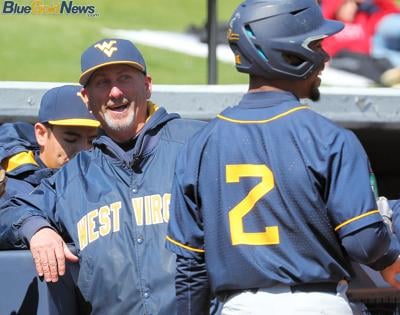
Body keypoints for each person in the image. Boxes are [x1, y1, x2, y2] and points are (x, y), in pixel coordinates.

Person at [165, 1, 400, 314]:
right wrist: (389, 252)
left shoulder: (199, 145)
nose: (325, 56)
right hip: (317, 304)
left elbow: (190, 267)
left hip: (237, 306)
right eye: (315, 45)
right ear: (289, 54)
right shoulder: (330, 138)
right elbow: (363, 243)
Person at [0, 38, 206, 314]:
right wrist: (36, 228)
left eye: (125, 78)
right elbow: (11, 210)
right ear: (86, 99)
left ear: (147, 86)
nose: (115, 92)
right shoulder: (72, 177)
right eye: (102, 83)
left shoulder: (198, 143)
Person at [0, 85, 100, 204]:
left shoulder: (105, 181)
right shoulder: (9, 190)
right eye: (71, 139)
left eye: (92, 141)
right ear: (41, 134)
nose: (84, 150)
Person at [321, 0, 400, 87]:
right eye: (347, 4)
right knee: (357, 64)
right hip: (341, 58)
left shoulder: (362, 19)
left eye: (355, 4)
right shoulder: (330, 26)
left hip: (367, 57)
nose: (353, 8)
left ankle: (391, 77)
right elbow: (322, 45)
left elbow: (390, 10)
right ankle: (385, 80)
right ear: (337, 7)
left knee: (383, 61)